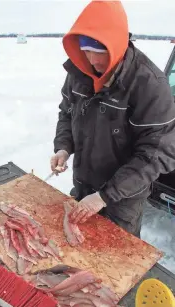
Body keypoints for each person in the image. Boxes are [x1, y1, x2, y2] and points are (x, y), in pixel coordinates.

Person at [50, 0, 175, 237]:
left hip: (123, 199)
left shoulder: (149, 85)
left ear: (118, 44)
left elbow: (156, 154)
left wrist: (105, 196)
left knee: (116, 257)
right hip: (84, 184)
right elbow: (66, 113)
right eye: (86, 51)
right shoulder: (79, 72)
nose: (93, 60)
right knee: (75, 249)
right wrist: (64, 147)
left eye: (101, 51)